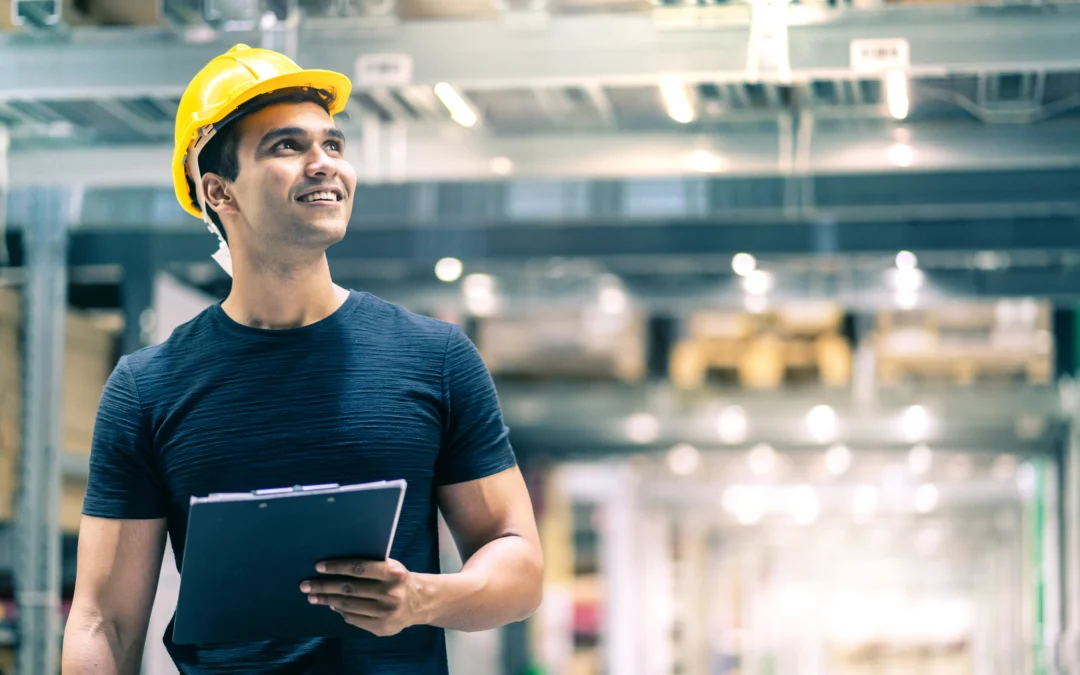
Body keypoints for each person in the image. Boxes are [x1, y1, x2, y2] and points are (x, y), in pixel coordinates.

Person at [61, 44, 544, 674]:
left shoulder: (435, 358)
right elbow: (104, 621)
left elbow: (520, 564)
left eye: (333, 145)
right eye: (286, 147)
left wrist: (426, 598)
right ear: (218, 191)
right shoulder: (148, 389)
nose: (324, 165)